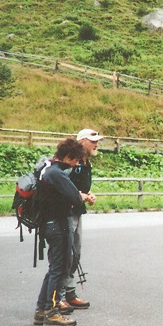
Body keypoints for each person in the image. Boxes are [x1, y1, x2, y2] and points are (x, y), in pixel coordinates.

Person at [33, 139, 92, 326]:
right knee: (60, 268)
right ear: (68, 157)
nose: (76, 165)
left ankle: (42, 309)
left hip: (49, 224)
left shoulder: (47, 169)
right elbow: (75, 197)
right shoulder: (57, 174)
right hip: (60, 225)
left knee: (54, 268)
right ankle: (52, 312)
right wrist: (82, 197)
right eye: (75, 161)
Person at [59, 128, 101, 311]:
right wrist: (81, 195)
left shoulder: (86, 162)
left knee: (75, 253)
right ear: (82, 141)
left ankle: (69, 293)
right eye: (93, 141)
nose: (96, 144)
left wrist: (87, 194)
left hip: (77, 210)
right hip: (65, 212)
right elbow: (62, 184)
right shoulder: (71, 161)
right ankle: (58, 296)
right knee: (65, 254)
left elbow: (79, 186)